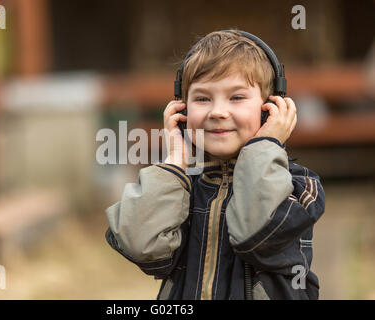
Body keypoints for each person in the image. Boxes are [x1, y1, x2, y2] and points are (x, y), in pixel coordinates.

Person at [104, 30, 326, 300]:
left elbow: (255, 235)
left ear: (270, 108)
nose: (217, 111)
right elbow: (141, 246)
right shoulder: (181, 187)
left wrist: (265, 144)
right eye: (202, 99)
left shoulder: (299, 187)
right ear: (182, 110)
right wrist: (175, 162)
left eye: (236, 98)